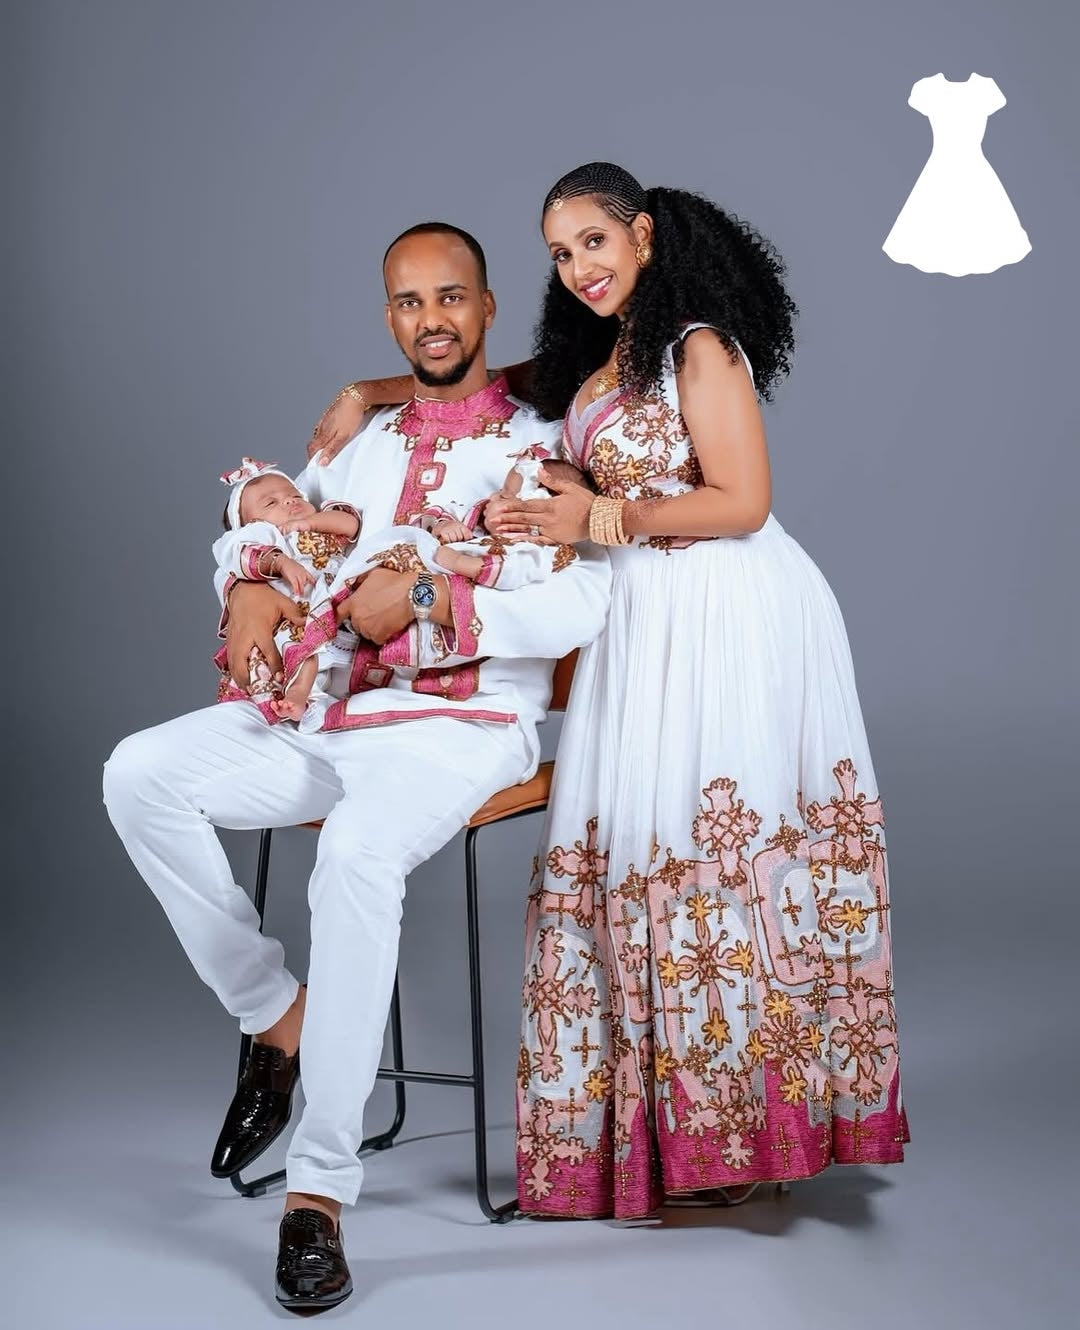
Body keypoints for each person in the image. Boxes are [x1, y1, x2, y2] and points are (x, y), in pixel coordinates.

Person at [312, 164, 910, 1222]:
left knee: (717, 851)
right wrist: (369, 391)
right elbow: (469, 383)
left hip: (727, 612)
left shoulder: (696, 347)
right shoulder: (594, 359)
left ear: (641, 235)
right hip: (635, 621)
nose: (579, 267)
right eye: (558, 252)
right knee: (637, 853)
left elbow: (744, 501)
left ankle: (746, 1129)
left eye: (594, 241)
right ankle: (671, 1135)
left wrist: (599, 521)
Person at [103, 221, 612, 1311]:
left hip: (461, 728)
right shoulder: (357, 444)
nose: (431, 319)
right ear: (392, 318)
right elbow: (277, 530)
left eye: (451, 298)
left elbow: (583, 601)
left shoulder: (535, 444)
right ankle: (272, 1011)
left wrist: (435, 595)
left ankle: (319, 1195)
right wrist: (245, 586)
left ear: (485, 307)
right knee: (139, 773)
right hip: (332, 718)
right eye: (409, 302)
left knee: (357, 857)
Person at [213, 457, 362, 725]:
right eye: (271, 503)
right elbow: (237, 553)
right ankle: (298, 695)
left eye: (294, 495)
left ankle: (312, 698)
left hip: (334, 603)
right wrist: (280, 561)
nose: (290, 502)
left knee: (325, 651)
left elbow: (351, 524)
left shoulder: (321, 523)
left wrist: (312, 523)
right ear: (249, 524)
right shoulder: (266, 535)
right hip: (294, 606)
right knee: (300, 646)